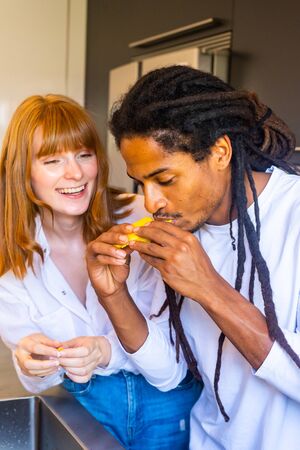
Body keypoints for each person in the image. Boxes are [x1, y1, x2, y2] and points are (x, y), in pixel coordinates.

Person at [86, 66, 300, 450]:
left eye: (165, 180)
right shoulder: (182, 233)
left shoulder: (294, 216)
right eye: (141, 183)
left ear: (220, 152)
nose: (151, 203)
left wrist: (209, 288)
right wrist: (113, 296)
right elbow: (169, 373)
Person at [0, 93, 202, 450]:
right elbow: (34, 377)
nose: (75, 173)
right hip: (84, 406)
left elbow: (171, 357)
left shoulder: (143, 217)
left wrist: (104, 351)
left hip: (168, 401)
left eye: (84, 154)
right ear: (23, 172)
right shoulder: (10, 257)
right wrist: (31, 358)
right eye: (52, 160)